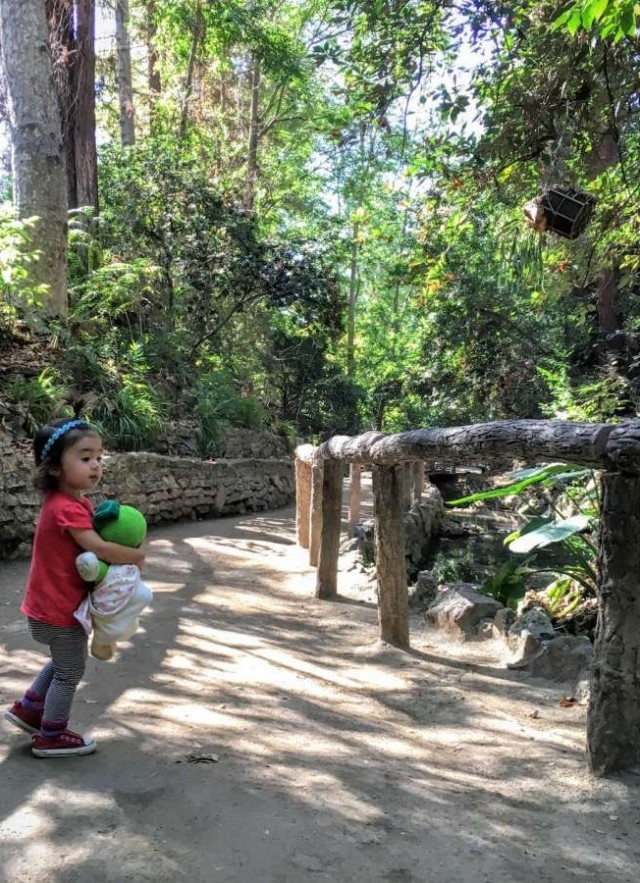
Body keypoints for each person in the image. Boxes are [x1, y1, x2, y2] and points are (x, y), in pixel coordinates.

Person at [3, 418, 145, 758]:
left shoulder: (69, 503)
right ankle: (51, 733)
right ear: (54, 468)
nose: (96, 464)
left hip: (47, 607)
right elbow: (99, 548)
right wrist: (135, 555)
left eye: (99, 456)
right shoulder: (67, 508)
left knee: (62, 661)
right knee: (70, 669)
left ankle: (29, 708)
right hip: (58, 610)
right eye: (85, 457)